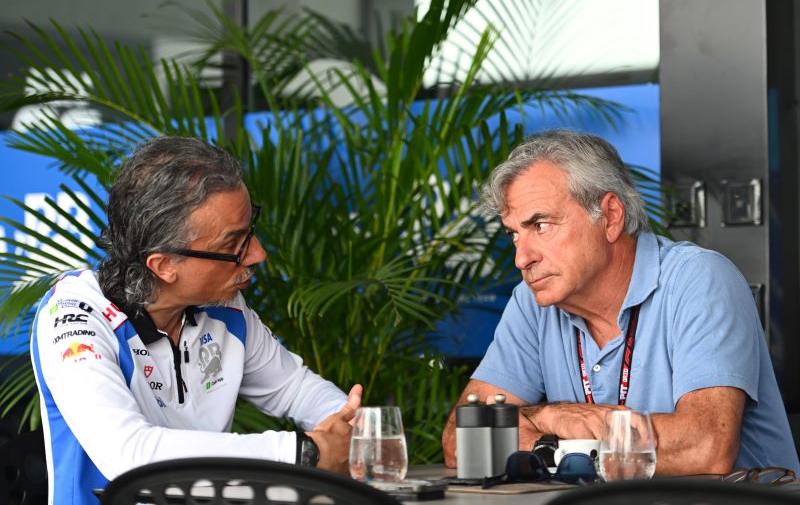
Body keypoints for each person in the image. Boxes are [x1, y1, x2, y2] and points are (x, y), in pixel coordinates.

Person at [442, 129, 800, 475]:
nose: (522, 258)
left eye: (541, 225)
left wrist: (545, 425)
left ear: (610, 216)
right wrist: (551, 423)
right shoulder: (533, 300)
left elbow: (704, 448)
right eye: (514, 235)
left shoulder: (699, 279)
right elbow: (461, 442)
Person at [31, 137, 362, 505]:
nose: (258, 254)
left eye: (250, 232)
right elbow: (130, 456)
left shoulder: (224, 306)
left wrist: (360, 434)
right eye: (233, 245)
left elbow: (295, 390)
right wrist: (301, 453)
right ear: (164, 265)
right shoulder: (75, 314)